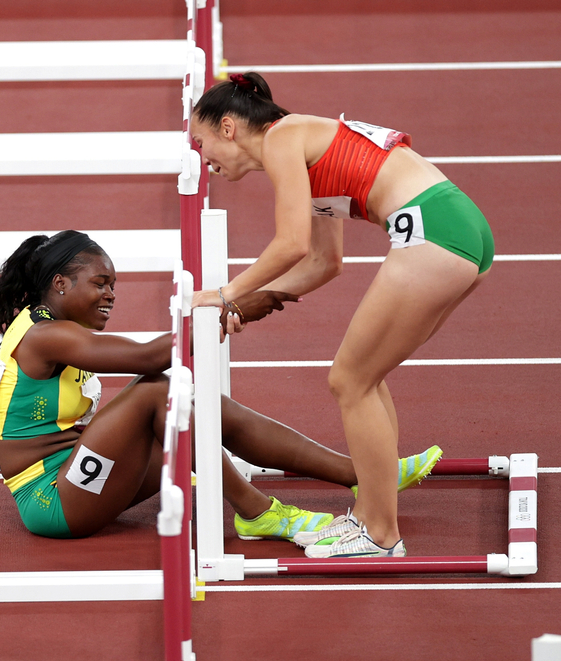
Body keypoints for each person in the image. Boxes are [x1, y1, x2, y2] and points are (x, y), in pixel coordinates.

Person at [190, 72, 493, 559]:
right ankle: (377, 498)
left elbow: (291, 244)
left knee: (348, 381)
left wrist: (225, 294)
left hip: (433, 231)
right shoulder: (306, 147)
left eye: (199, 142)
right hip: (461, 226)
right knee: (365, 377)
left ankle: (378, 532)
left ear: (228, 128)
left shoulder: (282, 136)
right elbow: (323, 263)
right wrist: (251, 300)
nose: (202, 158)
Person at [0, 230, 437, 541]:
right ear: (59, 284)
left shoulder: (44, 325)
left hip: (81, 473)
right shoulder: (46, 335)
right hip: (53, 498)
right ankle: (258, 513)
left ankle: (365, 475)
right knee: (158, 390)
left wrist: (225, 313)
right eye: (100, 283)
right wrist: (226, 310)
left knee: (191, 401)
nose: (111, 295)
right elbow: (147, 357)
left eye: (113, 285)